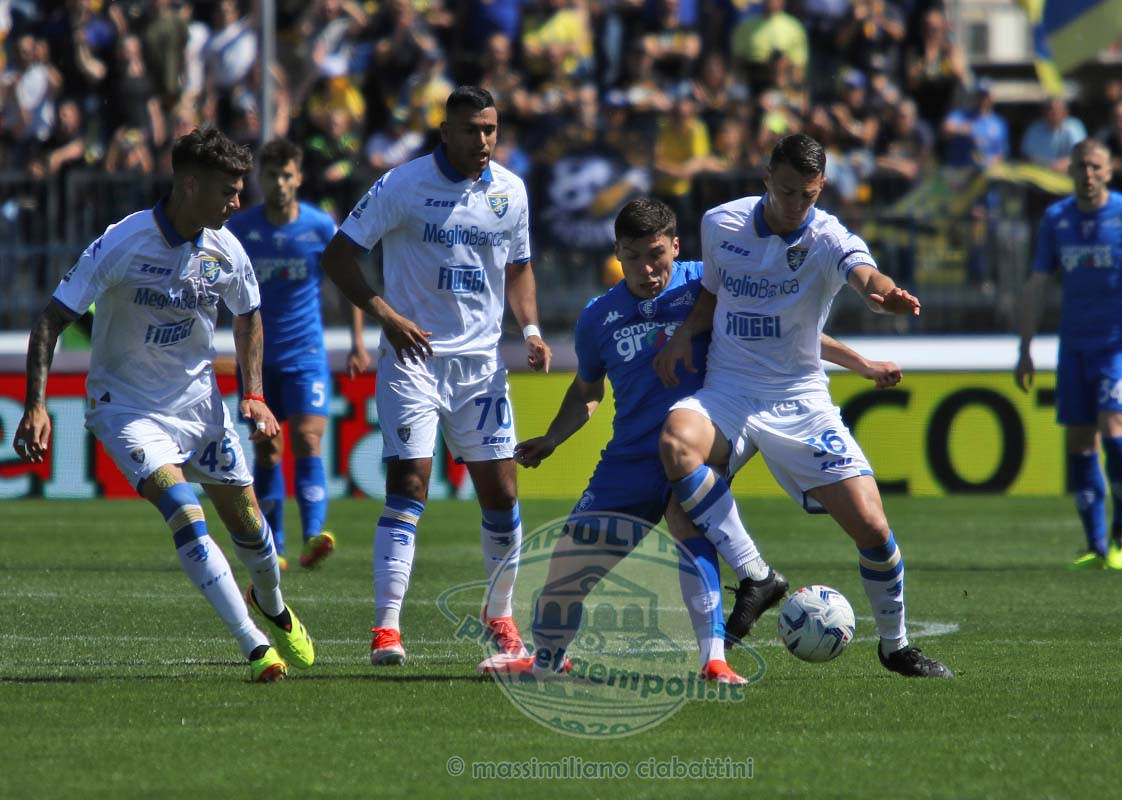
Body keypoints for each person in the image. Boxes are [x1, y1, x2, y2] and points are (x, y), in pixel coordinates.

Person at [478, 197, 903, 683]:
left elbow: (781, 333)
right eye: (632, 256)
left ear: (676, 246)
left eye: (656, 254)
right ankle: (549, 659)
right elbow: (588, 391)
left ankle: (714, 659)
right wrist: (553, 438)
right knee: (565, 575)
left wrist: (861, 364)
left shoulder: (705, 284)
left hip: (697, 443)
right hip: (630, 459)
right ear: (617, 253)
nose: (646, 268)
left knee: (688, 525)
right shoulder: (598, 317)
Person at [10, 127, 314, 682]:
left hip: (200, 408)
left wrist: (253, 393)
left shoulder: (226, 248)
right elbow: (52, 319)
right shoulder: (122, 242)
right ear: (190, 184)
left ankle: (271, 604)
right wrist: (36, 404)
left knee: (250, 527)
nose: (237, 203)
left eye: (239, 191)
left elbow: (248, 314)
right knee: (184, 511)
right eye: (228, 191)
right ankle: (253, 646)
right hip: (127, 409)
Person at [653, 133, 953, 679]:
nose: (796, 205)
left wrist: (883, 293)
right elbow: (713, 296)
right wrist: (682, 337)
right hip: (730, 388)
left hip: (800, 398)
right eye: (787, 191)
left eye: (808, 195)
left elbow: (866, 276)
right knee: (676, 441)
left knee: (872, 527)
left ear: (821, 188)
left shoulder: (828, 237)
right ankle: (756, 574)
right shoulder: (721, 223)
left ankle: (896, 646)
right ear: (767, 177)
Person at [320, 85, 551, 667]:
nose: (483, 140)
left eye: (490, 129)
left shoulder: (511, 191)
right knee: (409, 486)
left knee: (502, 493)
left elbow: (520, 268)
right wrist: (386, 316)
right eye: (471, 129)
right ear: (444, 131)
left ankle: (501, 615)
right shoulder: (402, 185)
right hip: (413, 360)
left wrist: (530, 330)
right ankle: (386, 627)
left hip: (481, 368)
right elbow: (338, 256)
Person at [1014, 139, 1122, 571]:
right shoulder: (1056, 219)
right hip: (1074, 346)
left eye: (1096, 166)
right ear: (1070, 170)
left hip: (1119, 344)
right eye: (1081, 166)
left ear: (1109, 171)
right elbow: (1037, 283)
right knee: (1080, 442)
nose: (1088, 174)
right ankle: (1096, 544)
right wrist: (1025, 348)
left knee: (1114, 429)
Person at [226, 137, 369, 570]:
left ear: (299, 178)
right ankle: (276, 546)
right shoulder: (241, 229)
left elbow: (348, 280)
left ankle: (313, 536)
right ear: (260, 178)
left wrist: (357, 342)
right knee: (267, 450)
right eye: (271, 175)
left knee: (308, 440)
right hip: (257, 360)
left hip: (306, 354)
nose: (279, 183)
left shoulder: (320, 227)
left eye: (287, 175)